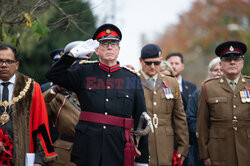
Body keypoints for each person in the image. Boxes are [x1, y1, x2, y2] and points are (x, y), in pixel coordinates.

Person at [45, 23, 149, 166]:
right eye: (104, 43)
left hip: (117, 148)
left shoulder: (132, 78)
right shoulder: (83, 71)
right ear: (97, 49)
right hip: (87, 148)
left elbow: (141, 120)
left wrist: (142, 161)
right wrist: (71, 55)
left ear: (119, 49)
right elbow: (52, 75)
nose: (109, 47)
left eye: (114, 43)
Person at [0, 44, 57, 165]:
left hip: (22, 155)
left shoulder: (31, 87)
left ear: (16, 64)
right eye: (0, 61)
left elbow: (42, 126)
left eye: (9, 61)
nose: (4, 65)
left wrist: (39, 161)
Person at [197, 41, 250, 166]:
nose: (232, 62)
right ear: (221, 64)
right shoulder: (208, 88)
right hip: (219, 152)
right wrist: (205, 155)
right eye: (228, 59)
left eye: (236, 59)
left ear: (242, 63)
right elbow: (202, 125)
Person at [138, 43, 189, 166]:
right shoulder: (132, 80)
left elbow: (180, 118)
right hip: (141, 146)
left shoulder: (171, 82)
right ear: (141, 61)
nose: (152, 66)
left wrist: (183, 148)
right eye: (148, 63)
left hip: (165, 146)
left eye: (156, 63)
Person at [186, 57, 222, 166]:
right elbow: (190, 119)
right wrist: (207, 133)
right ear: (210, 72)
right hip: (203, 147)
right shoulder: (199, 93)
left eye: (222, 70)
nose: (219, 73)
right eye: (215, 70)